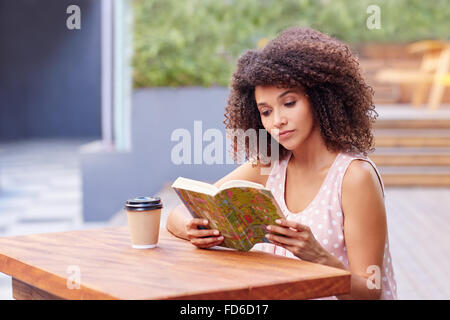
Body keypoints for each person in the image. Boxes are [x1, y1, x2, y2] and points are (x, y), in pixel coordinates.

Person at [166, 26, 397, 300]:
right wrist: (193, 230)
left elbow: (370, 292)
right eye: (266, 111)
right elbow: (177, 213)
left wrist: (317, 255)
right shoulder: (268, 167)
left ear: (322, 99)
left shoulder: (354, 177)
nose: (277, 121)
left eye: (289, 103)